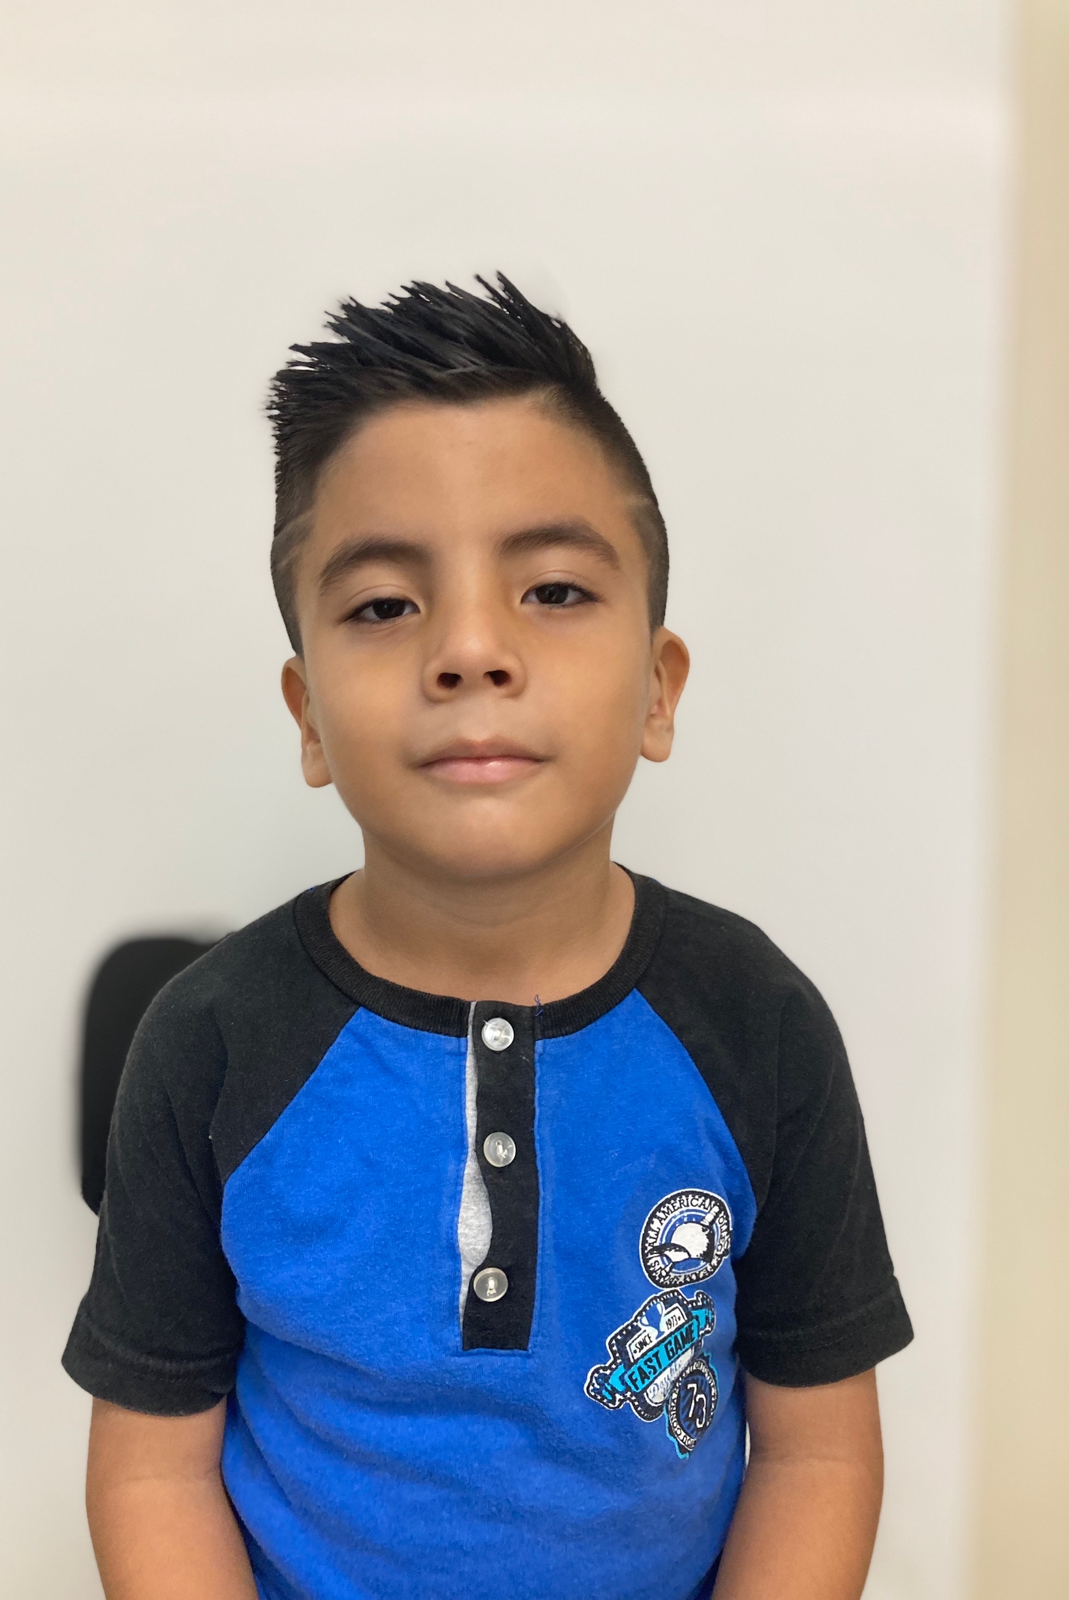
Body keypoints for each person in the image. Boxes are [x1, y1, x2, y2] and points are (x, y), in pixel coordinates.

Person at [64, 275, 912, 1600]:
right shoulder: (212, 1042)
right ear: (307, 716)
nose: (469, 650)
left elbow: (818, 1453)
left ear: (658, 690)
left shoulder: (758, 1022)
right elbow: (150, 1473)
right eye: (384, 606)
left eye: (554, 589)